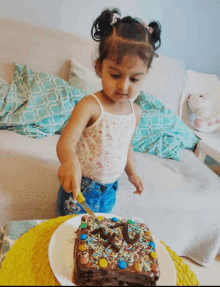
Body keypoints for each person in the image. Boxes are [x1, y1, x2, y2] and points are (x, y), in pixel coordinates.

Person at [56, 7, 162, 216]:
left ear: (145, 74)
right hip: (81, 188)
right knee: (69, 235)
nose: (123, 86)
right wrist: (69, 161)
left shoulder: (136, 112)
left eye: (134, 79)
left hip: (111, 189)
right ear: (99, 67)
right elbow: (66, 142)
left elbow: (126, 146)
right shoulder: (90, 105)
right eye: (115, 75)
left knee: (96, 238)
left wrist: (131, 173)